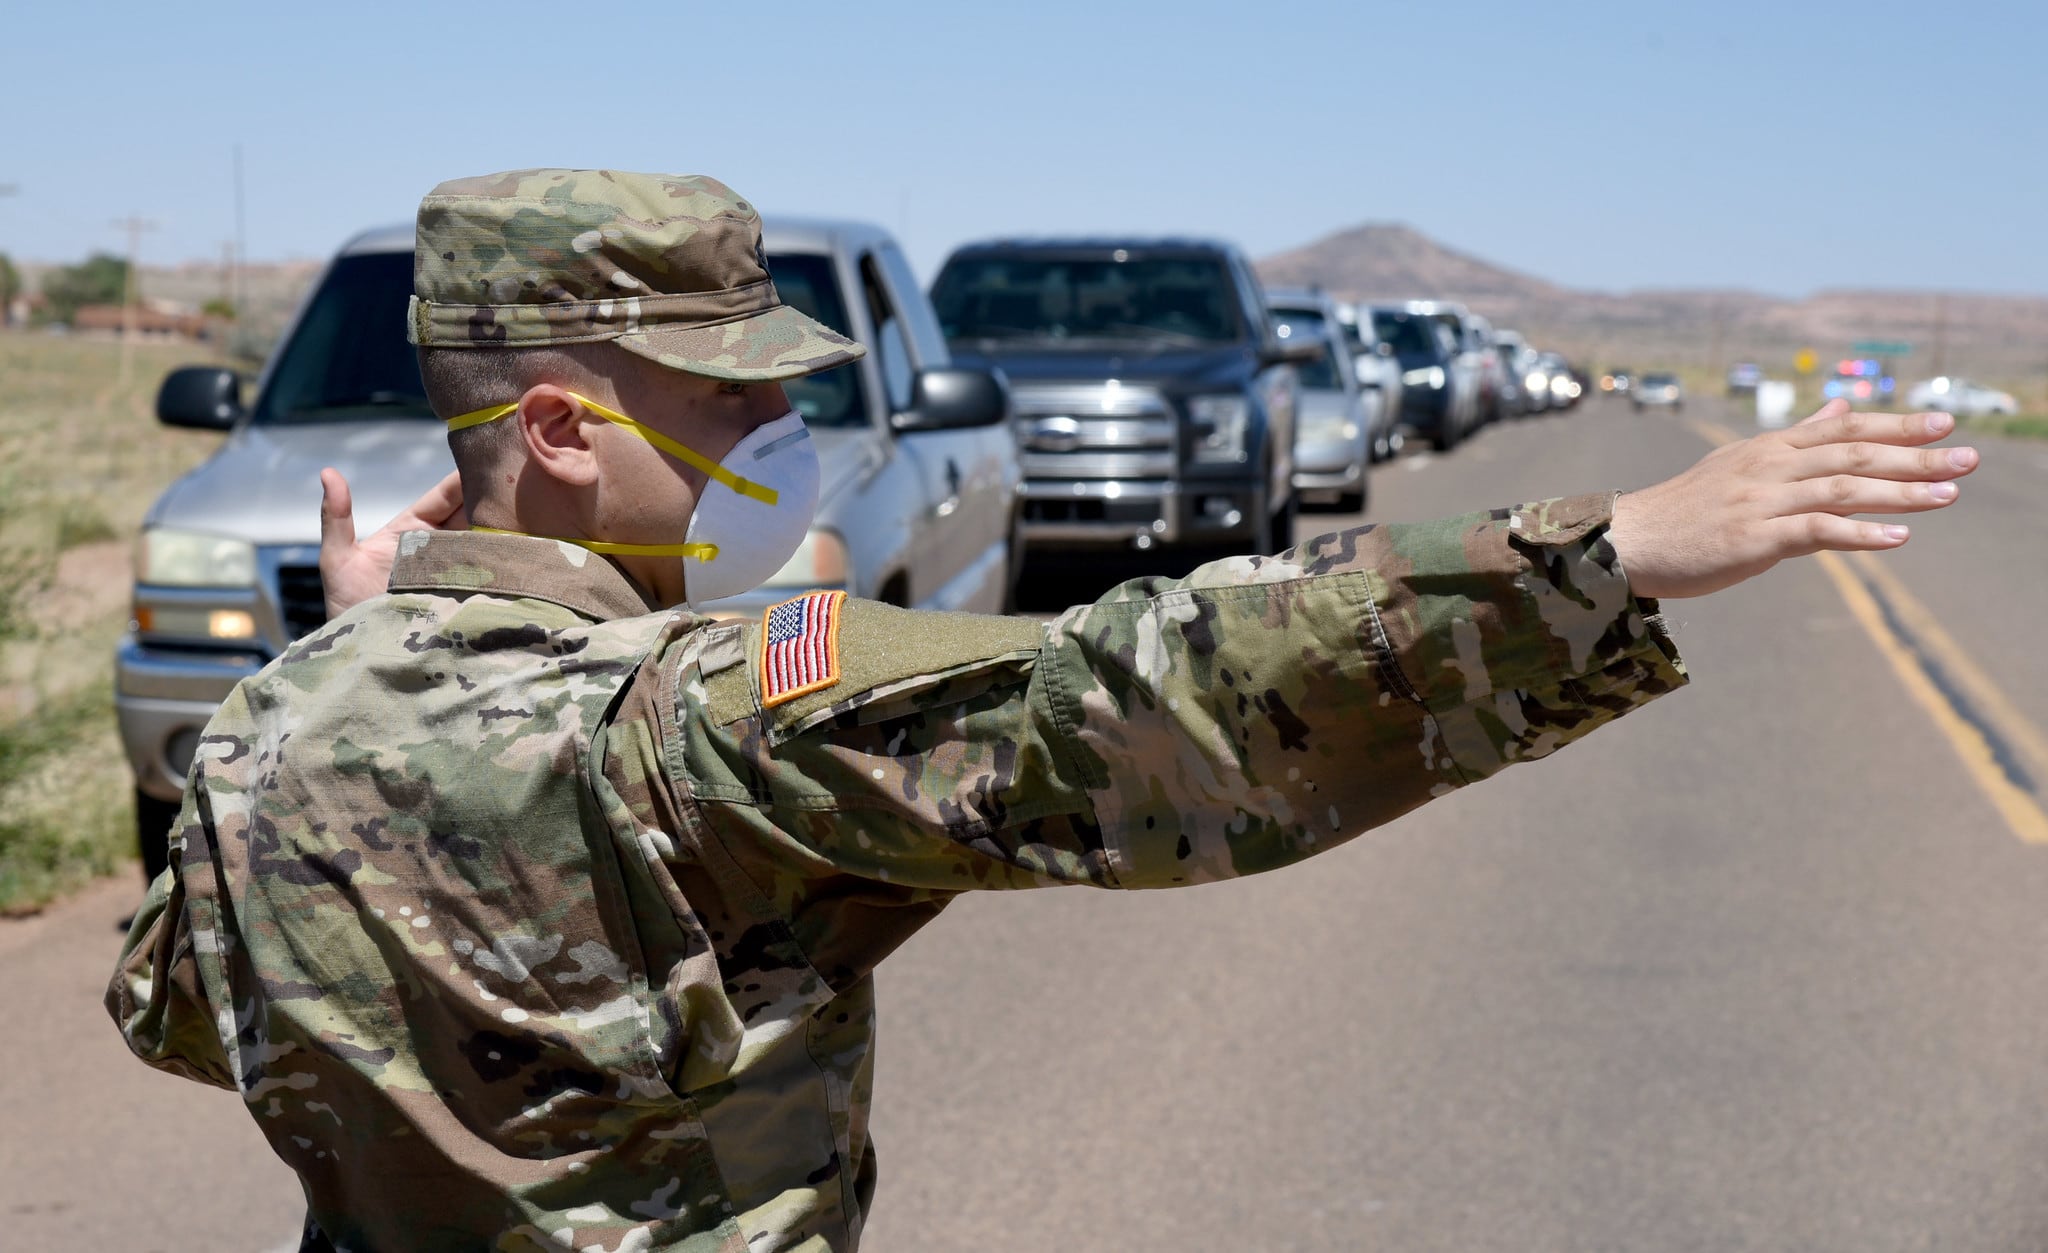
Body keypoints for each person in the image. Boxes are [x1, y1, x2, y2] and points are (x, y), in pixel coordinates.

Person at [108, 168, 1978, 1253]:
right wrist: (1606, 552)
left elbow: (188, 1017)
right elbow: (1133, 687)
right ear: (557, 434)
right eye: (728, 403)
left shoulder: (271, 729)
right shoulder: (696, 721)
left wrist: (347, 655)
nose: (780, 438)